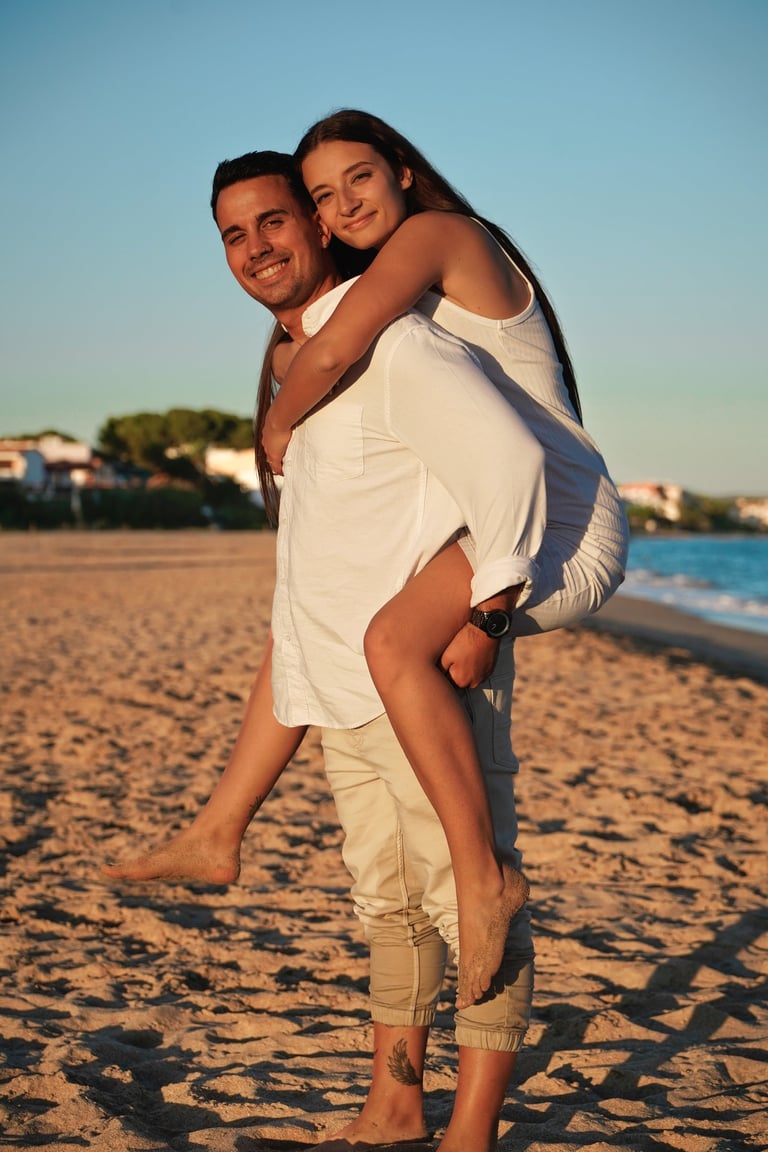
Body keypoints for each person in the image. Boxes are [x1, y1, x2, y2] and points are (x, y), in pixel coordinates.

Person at [107, 150, 545, 1152]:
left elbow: (514, 465)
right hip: (345, 689)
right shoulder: (295, 366)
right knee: (388, 904)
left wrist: (487, 618)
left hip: (425, 682)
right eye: (233, 234)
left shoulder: (394, 342)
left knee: (472, 894)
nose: (255, 248)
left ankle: (472, 1132)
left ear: (315, 224)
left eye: (272, 221)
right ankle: (395, 1104)